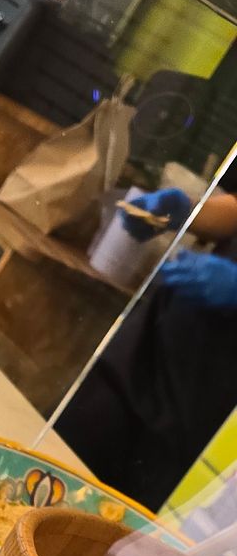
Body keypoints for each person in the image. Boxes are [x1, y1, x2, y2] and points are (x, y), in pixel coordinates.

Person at [57, 165, 237, 509]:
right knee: (60, 459)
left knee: (113, 514)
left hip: (205, 404)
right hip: (154, 344)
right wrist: (188, 211)